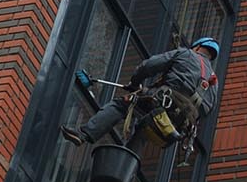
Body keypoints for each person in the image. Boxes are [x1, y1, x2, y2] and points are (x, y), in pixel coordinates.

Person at [64, 37, 221, 147]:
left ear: (197, 47)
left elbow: (149, 66)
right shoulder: (214, 83)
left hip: (162, 102)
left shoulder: (187, 54)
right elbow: (207, 110)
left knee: (121, 105)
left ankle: (83, 134)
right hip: (179, 122)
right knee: (145, 130)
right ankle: (122, 172)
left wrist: (135, 83)